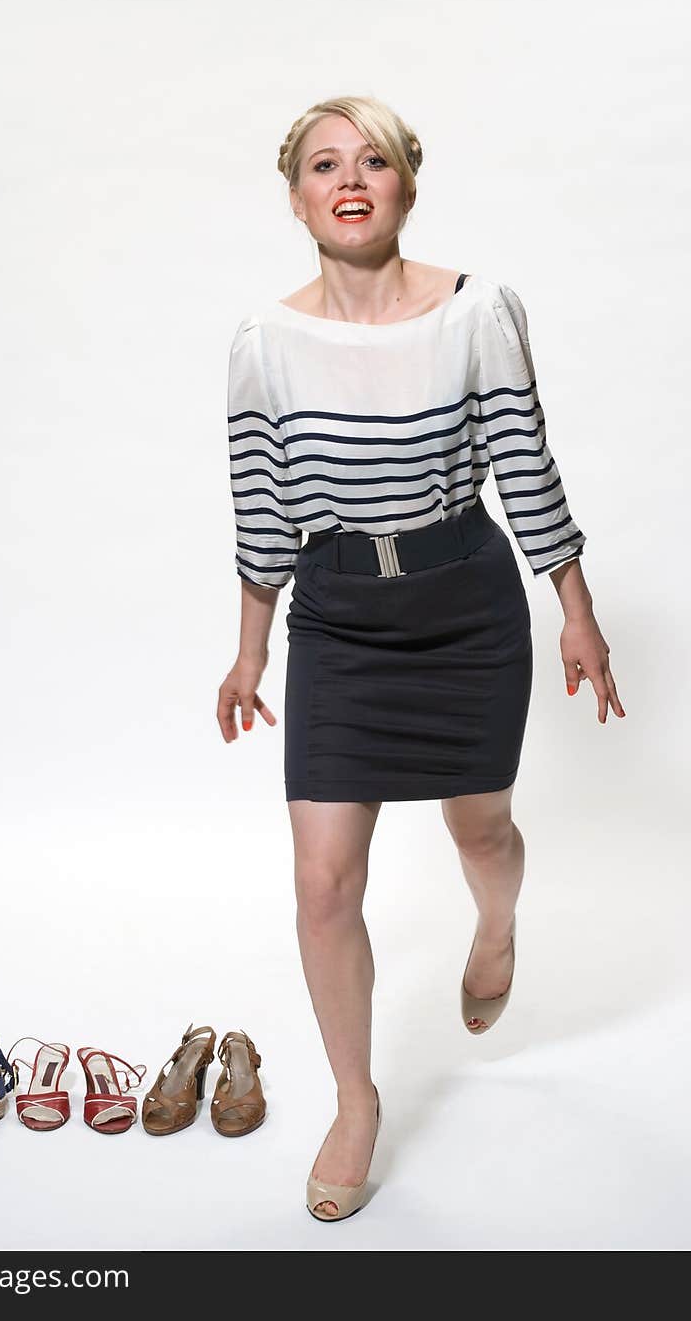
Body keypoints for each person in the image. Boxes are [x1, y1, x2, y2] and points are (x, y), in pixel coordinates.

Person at [217, 95, 625, 1222]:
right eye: (323, 165)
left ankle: (495, 925)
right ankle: (355, 1098)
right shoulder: (263, 343)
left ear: (406, 182)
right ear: (296, 194)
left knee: (479, 830)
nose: (351, 179)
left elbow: (526, 471)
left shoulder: (475, 312)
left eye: (375, 161)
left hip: (464, 608)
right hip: (340, 619)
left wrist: (575, 613)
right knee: (319, 881)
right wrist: (248, 653)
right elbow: (261, 511)